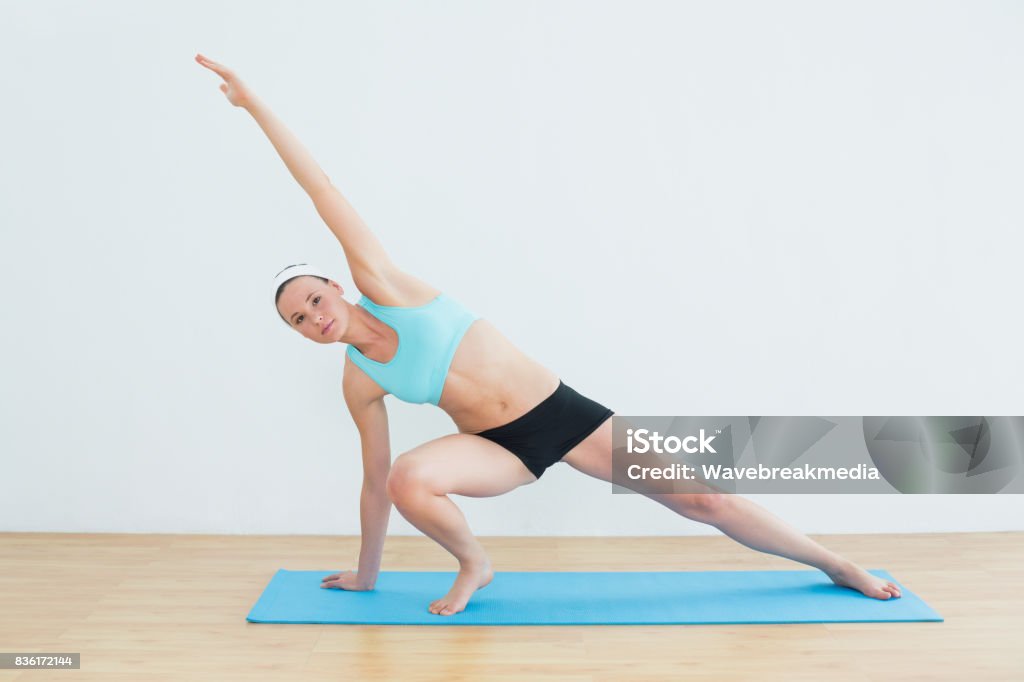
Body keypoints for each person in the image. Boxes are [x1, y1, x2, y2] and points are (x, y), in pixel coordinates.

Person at [196, 53, 902, 616]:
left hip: (562, 414)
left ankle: (836, 564)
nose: (314, 316)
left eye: (314, 298)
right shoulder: (359, 380)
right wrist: (367, 577)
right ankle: (475, 562)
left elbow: (322, 190)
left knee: (705, 502)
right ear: (301, 335)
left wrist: (255, 106)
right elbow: (374, 488)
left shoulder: (387, 284)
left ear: (336, 288)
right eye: (299, 319)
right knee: (405, 476)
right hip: (494, 450)